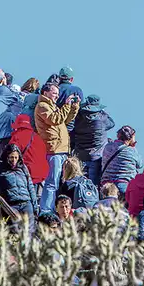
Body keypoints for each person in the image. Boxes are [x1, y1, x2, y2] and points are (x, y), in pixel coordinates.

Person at [35, 81, 80, 214]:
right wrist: (66, 105)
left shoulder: (52, 106)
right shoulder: (42, 106)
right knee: (51, 182)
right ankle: (46, 210)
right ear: (45, 92)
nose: (56, 96)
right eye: (54, 93)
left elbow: (65, 120)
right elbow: (55, 119)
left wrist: (73, 107)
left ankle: (51, 208)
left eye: (57, 94)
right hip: (53, 149)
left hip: (61, 149)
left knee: (57, 182)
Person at [0, 143, 39, 226]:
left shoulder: (23, 168)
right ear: (7, 157)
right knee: (14, 231)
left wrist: (35, 207)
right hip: (11, 205)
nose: (14, 160)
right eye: (11, 157)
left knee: (30, 231)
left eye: (16, 157)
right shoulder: (0, 169)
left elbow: (30, 187)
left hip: (26, 203)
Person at [72, 94, 115, 185]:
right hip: (96, 156)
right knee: (93, 185)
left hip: (80, 155)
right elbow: (112, 123)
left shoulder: (78, 117)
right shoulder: (101, 119)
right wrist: (104, 113)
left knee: (79, 183)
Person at [100, 125, 142, 197]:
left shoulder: (107, 147)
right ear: (131, 137)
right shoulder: (131, 150)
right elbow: (140, 164)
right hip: (123, 184)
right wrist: (133, 146)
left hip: (106, 185)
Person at [8, 113, 49, 187]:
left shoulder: (16, 137)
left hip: (28, 175)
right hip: (42, 174)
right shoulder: (37, 137)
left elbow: (11, 156)